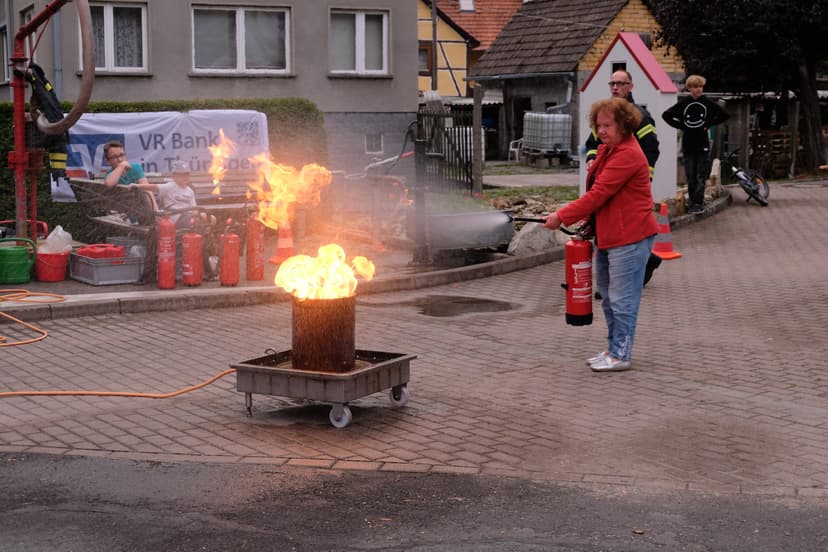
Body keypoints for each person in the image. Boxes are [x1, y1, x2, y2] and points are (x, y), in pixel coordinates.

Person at [545, 97, 658, 372]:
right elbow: (600, 195)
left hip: (630, 237)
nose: (602, 131)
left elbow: (598, 194)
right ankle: (613, 349)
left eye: (608, 125)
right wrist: (588, 222)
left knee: (622, 299)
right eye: (599, 125)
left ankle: (621, 354)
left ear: (624, 125)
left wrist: (562, 216)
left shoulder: (628, 154)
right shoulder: (609, 150)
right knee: (608, 297)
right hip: (611, 236)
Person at [585, 69, 663, 287]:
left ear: (630, 86)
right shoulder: (606, 114)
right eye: (612, 84)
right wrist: (591, 158)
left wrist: (642, 179)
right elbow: (592, 143)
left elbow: (651, 149)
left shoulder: (638, 116)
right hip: (606, 179)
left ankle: (624, 276)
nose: (615, 87)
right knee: (606, 225)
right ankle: (641, 263)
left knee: (623, 229)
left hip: (628, 184)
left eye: (620, 83)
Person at [661, 74, 730, 215]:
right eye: (694, 87)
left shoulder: (708, 103)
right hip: (688, 144)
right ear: (689, 88)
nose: (698, 89)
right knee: (691, 175)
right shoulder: (684, 103)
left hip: (702, 144)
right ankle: (692, 202)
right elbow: (666, 115)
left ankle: (698, 203)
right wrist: (681, 125)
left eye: (700, 87)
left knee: (700, 175)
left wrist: (708, 124)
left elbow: (724, 115)